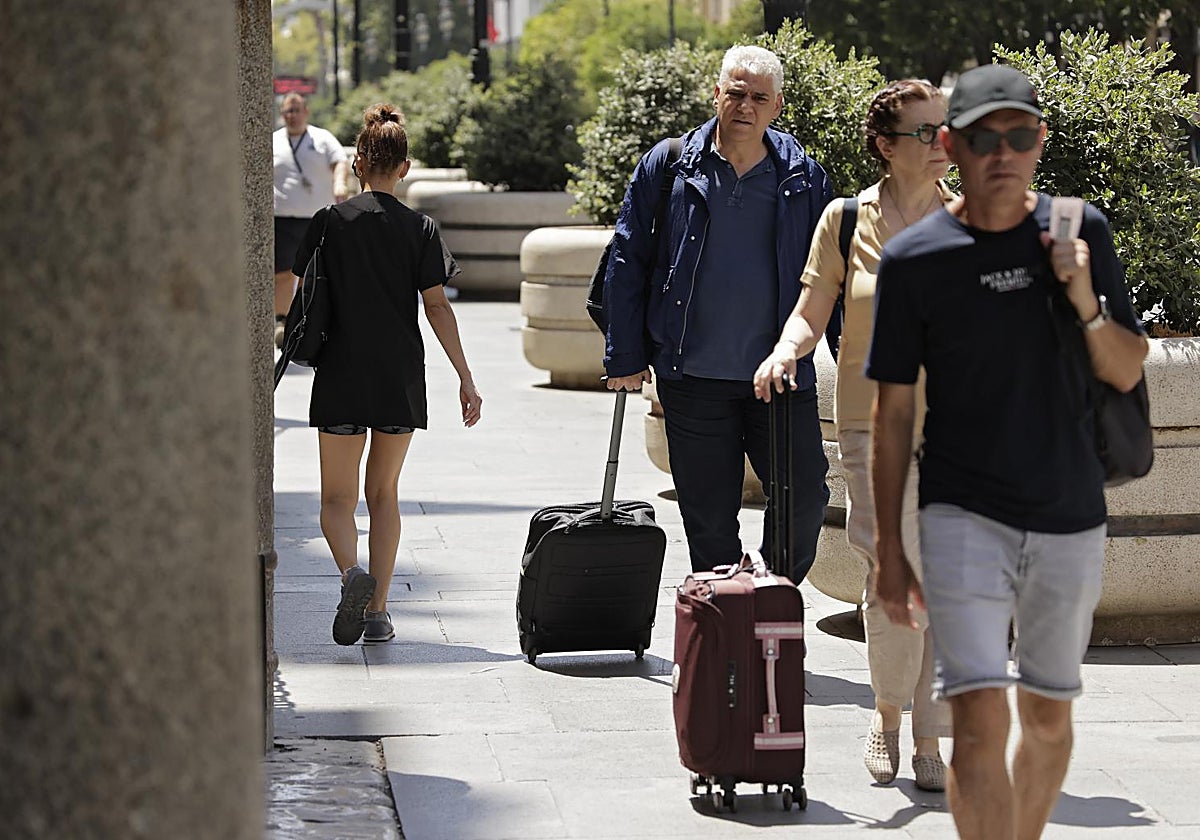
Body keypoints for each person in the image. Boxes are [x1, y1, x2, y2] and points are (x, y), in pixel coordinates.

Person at [866, 65, 1149, 838]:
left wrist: (1084, 297)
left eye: (1019, 135)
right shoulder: (917, 258)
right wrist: (891, 552)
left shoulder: (1079, 231)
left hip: (1068, 512)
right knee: (980, 720)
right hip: (962, 513)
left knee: (1048, 720)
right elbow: (892, 415)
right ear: (950, 145)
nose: (1003, 151)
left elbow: (1126, 368)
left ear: (1039, 142)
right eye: (984, 137)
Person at [753, 79, 954, 791]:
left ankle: (922, 732)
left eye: (945, 129)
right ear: (885, 144)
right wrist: (787, 350)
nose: (942, 144)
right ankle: (888, 712)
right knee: (890, 573)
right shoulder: (845, 220)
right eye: (925, 131)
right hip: (874, 427)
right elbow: (812, 308)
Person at [603, 45, 831, 581]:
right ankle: (726, 628)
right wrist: (625, 355)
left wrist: (851, 357)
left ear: (777, 106)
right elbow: (627, 255)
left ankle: (770, 599)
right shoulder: (671, 163)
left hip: (779, 378)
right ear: (716, 94)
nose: (745, 106)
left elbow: (831, 275)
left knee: (805, 499)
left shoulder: (803, 177)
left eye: (758, 97)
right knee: (709, 523)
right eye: (735, 93)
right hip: (692, 375)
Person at [292, 103, 483, 646]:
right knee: (384, 495)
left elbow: (304, 292)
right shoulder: (419, 229)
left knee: (335, 499)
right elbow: (437, 307)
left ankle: (351, 575)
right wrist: (466, 379)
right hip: (399, 375)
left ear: (357, 163)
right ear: (405, 167)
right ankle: (377, 612)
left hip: (341, 373)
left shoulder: (330, 223)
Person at [274, 92, 351, 347]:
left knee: (314, 273)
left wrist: (340, 183)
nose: (292, 116)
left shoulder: (322, 138)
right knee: (283, 273)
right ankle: (282, 321)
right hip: (282, 218)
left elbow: (340, 161)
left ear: (306, 111)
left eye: (296, 110)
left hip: (316, 218)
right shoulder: (273, 141)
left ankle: (310, 321)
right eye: (287, 111)